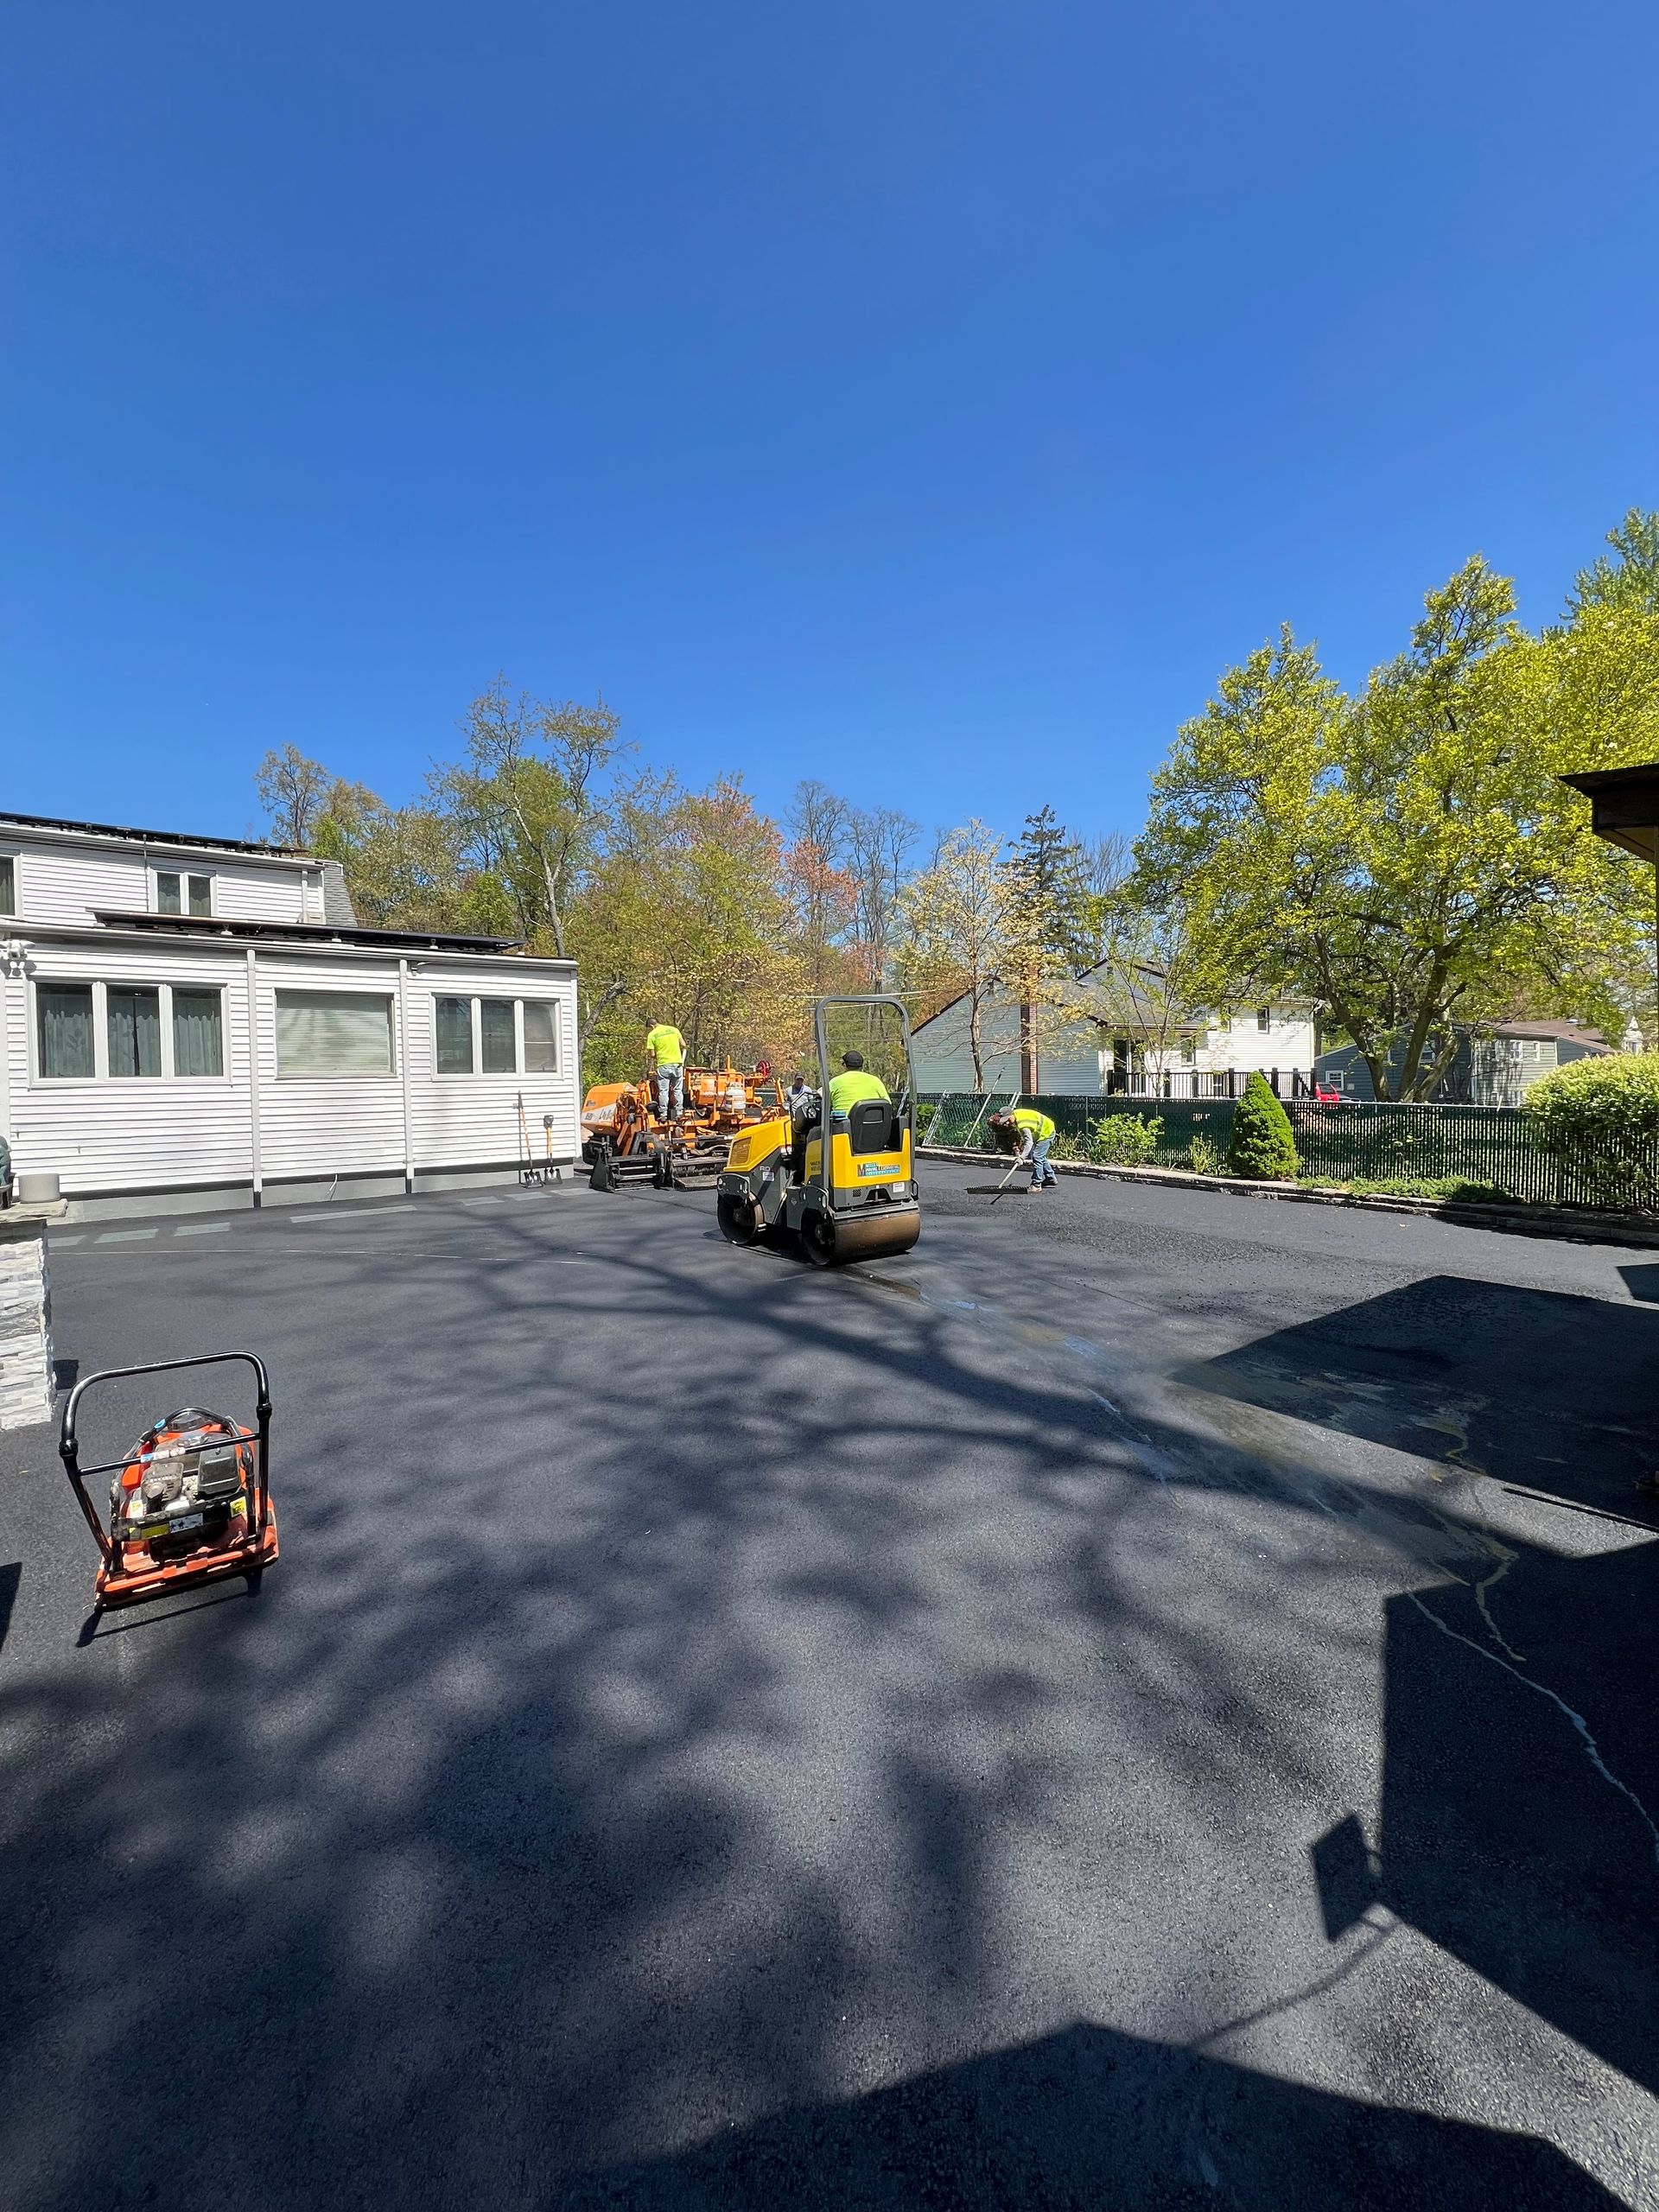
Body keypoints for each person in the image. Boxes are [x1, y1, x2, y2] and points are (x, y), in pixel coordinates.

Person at [989, 1106, 1058, 1192]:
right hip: (1040, 1131)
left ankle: (1036, 1185)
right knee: (1040, 1156)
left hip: (1047, 1132)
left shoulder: (1023, 1125)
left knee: (1037, 1156)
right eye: (1005, 1121)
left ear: (1011, 1115)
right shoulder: (1016, 1115)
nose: (1007, 1123)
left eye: (1008, 1120)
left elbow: (1029, 1142)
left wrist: (1021, 1157)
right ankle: (1050, 1178)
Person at [644, 1019, 687, 1122]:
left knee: (664, 1091)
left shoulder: (652, 1034)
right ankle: (679, 1113)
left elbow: (652, 1054)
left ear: (651, 1026)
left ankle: (663, 1114)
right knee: (677, 1090)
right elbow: (683, 1045)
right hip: (677, 1064)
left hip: (663, 1065)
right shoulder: (674, 1030)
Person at [825, 1049, 890, 1116]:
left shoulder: (834, 1083)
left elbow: (825, 1105)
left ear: (844, 1065)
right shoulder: (876, 1081)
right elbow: (888, 1105)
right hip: (874, 1125)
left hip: (844, 1126)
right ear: (862, 1066)